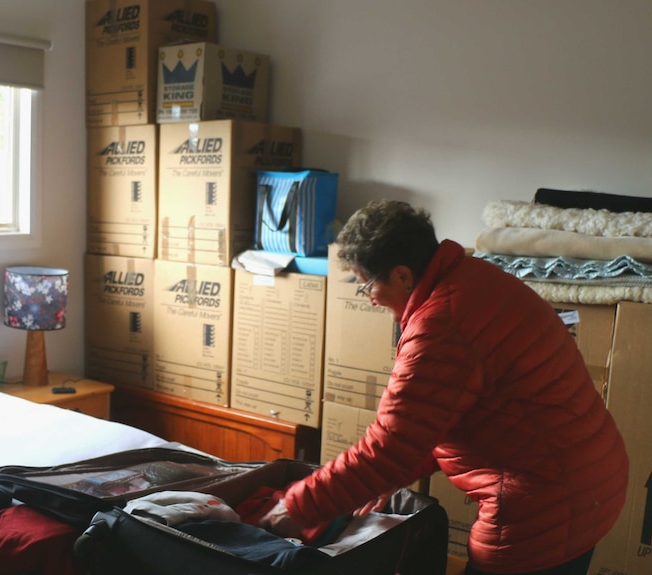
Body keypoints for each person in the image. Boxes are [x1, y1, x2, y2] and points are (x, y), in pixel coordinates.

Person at [258, 199, 629, 575]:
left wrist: (297, 507)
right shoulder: (473, 277)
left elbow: (388, 448)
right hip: (590, 480)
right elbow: (444, 414)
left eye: (367, 284)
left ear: (402, 276)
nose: (369, 297)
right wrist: (389, 475)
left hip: (545, 505)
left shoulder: (441, 328)